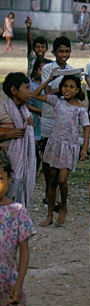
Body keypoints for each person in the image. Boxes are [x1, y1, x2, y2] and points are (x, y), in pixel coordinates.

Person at [31, 73, 90, 226]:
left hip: (69, 147)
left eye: (71, 87)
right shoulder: (56, 101)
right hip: (55, 145)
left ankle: (63, 207)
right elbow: (35, 94)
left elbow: (86, 127)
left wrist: (84, 148)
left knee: (62, 180)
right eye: (65, 86)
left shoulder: (80, 109)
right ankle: (50, 214)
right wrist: (50, 79)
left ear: (77, 90)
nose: (67, 89)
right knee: (51, 180)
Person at [0, 148, 35, 306]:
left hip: (8, 284)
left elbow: (24, 252)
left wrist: (19, 283)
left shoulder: (17, 212)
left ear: (9, 178)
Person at [0, 74, 37, 207]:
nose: (30, 92)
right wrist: (7, 135)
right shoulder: (3, 112)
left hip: (19, 167)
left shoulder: (25, 112)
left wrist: (29, 126)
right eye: (26, 88)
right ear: (14, 91)